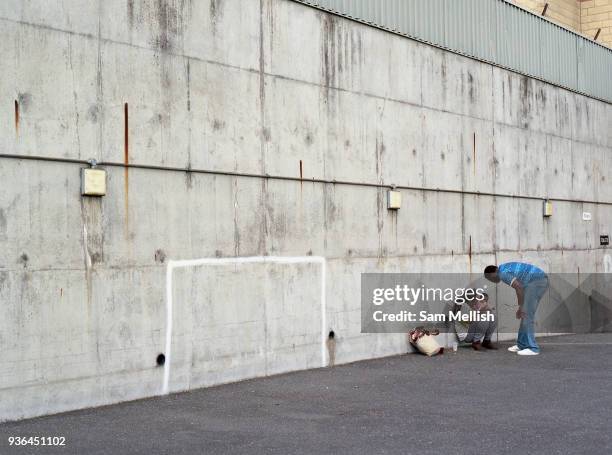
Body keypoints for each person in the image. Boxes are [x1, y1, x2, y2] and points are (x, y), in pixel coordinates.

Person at [484, 262, 548, 356]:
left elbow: (518, 287)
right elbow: (520, 287)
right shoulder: (504, 268)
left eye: (490, 278)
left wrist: (521, 307)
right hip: (535, 281)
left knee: (526, 315)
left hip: (536, 281)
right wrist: (521, 307)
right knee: (524, 314)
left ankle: (533, 348)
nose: (492, 280)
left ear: (493, 273)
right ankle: (522, 345)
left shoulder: (502, 273)